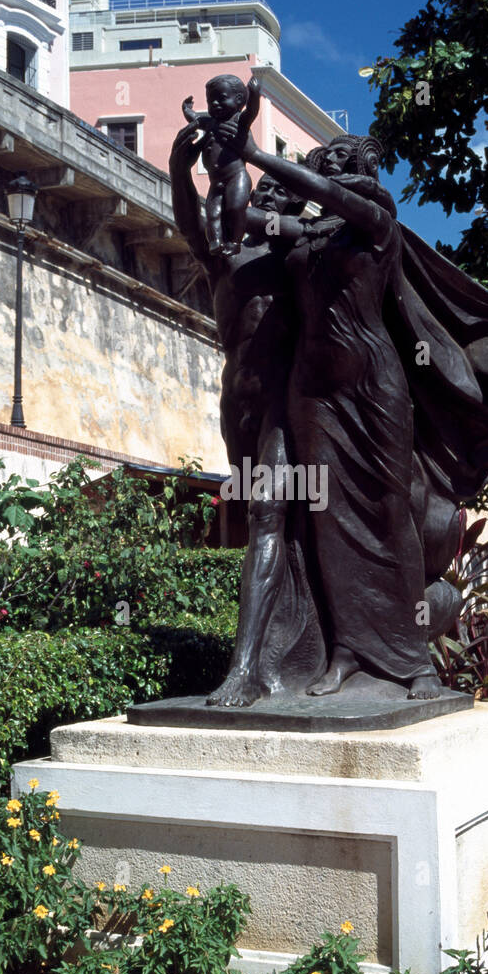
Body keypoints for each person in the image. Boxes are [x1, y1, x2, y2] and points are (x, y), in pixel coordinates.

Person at [234, 131, 488, 701]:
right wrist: (213, 158)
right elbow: (241, 221)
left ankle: (414, 661)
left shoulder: (375, 223)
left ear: (367, 172)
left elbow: (328, 192)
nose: (335, 166)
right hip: (311, 392)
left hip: (374, 384)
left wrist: (252, 151)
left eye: (347, 160)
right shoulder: (310, 236)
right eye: (329, 159)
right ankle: (347, 651)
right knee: (328, 519)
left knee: (392, 513)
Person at [169, 122, 325, 705]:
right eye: (260, 194)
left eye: (274, 196)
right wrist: (182, 170)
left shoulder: (301, 260)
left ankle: (245, 670)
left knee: (268, 516)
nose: (261, 199)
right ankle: (295, 638)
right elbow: (191, 223)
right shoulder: (226, 254)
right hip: (237, 400)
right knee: (270, 526)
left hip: (285, 406)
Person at [181, 74, 260, 256]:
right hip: (215, 181)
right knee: (212, 213)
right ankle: (215, 241)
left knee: (235, 208)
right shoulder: (210, 123)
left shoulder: (239, 121)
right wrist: (187, 110)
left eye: (221, 99)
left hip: (236, 176)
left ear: (239, 99)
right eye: (211, 101)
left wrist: (254, 95)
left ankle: (234, 241)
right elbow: (196, 120)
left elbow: (252, 112)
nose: (215, 104)